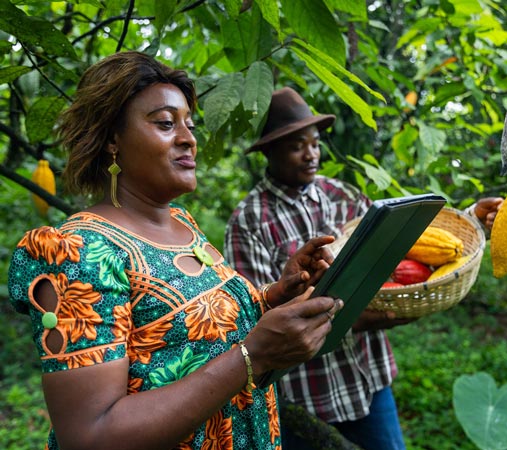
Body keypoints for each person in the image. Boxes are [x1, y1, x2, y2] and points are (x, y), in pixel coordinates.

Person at [7, 52, 344, 450]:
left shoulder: (184, 225)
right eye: (166, 124)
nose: (189, 138)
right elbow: (90, 434)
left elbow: (192, 332)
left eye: (189, 123)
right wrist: (252, 355)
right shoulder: (78, 253)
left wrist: (274, 296)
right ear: (112, 139)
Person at [224, 87, 503, 450]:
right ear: (270, 152)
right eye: (296, 147)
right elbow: (257, 313)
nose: (311, 154)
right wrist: (351, 314)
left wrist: (472, 221)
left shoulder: (344, 196)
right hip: (307, 393)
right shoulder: (249, 221)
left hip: (367, 382)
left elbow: (402, 252)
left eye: (314, 143)